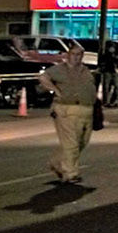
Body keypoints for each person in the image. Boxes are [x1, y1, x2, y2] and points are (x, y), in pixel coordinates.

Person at [40, 43, 98, 183]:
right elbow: (43, 77)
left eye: (79, 55)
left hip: (86, 109)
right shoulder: (59, 69)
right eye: (74, 54)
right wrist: (54, 91)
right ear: (68, 55)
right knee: (71, 142)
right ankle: (70, 173)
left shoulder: (85, 70)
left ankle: (57, 162)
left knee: (81, 142)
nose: (76, 58)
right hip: (67, 108)